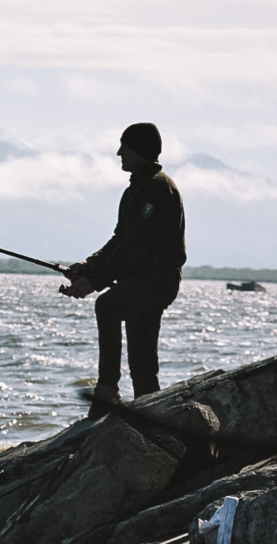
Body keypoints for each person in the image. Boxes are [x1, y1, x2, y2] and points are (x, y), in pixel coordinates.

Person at [61, 122, 186, 417]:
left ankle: (107, 392)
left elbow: (136, 245)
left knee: (107, 306)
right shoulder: (136, 189)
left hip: (156, 282)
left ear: (140, 150)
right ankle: (153, 412)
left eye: (124, 147)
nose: (119, 152)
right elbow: (121, 239)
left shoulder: (157, 188)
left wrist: (94, 283)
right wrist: (90, 265)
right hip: (139, 282)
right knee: (142, 362)